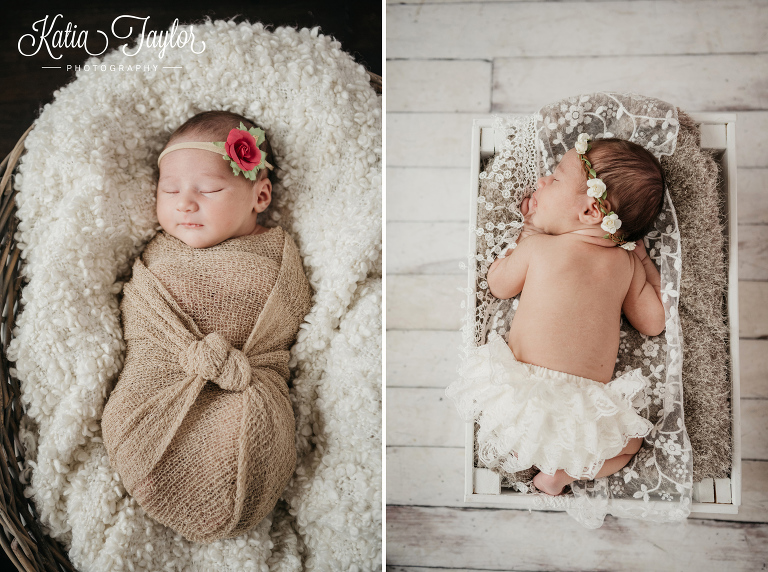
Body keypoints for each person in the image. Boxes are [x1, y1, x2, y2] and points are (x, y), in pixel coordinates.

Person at [101, 111, 313, 542]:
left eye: (210, 189)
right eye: (170, 190)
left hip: (242, 382)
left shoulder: (274, 254)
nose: (185, 203)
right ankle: (152, 471)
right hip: (161, 378)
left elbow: (290, 316)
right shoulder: (157, 254)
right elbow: (142, 317)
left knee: (244, 441)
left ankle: (226, 493)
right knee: (127, 416)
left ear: (260, 195)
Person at [447, 134, 666, 496]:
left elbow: (499, 286)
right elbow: (653, 322)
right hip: (583, 408)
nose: (542, 181)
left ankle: (524, 450)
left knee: (508, 420)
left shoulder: (540, 248)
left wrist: (527, 232)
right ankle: (561, 475)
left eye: (555, 178)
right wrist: (644, 260)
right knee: (629, 444)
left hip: (521, 396)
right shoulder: (627, 265)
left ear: (590, 211)